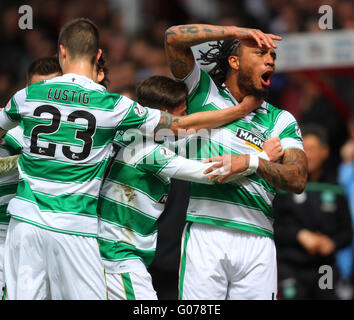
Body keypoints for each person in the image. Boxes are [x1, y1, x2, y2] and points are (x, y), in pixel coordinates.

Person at [0, 18, 264, 300]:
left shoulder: (27, 94)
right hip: (75, 226)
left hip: (24, 224)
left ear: (61, 52)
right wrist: (240, 112)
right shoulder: (113, 106)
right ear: (99, 55)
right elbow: (179, 125)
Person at [97, 75, 284, 300]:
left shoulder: (134, 135)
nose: (187, 120)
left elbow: (199, 125)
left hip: (116, 253)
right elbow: (207, 174)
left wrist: (237, 112)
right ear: (165, 115)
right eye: (183, 114)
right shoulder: (147, 152)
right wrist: (262, 157)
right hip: (117, 257)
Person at [164, 24, 308, 299]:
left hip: (259, 238)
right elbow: (173, 38)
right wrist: (233, 32)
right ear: (234, 61)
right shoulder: (203, 92)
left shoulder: (280, 120)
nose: (270, 60)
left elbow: (297, 179)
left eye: (273, 57)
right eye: (260, 53)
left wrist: (252, 163)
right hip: (206, 231)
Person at [0, 56, 62, 297]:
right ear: (25, 92)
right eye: (39, 90)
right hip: (6, 233)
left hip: (56, 232)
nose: (48, 98)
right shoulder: (10, 126)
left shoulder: (82, 135)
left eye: (54, 90)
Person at [273, 124, 353, 299]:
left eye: (312, 149)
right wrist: (299, 235)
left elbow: (347, 232)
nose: (307, 155)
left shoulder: (336, 188)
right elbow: (274, 227)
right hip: (291, 266)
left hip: (325, 267)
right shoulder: (283, 186)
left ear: (325, 151)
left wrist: (332, 243)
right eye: (303, 149)